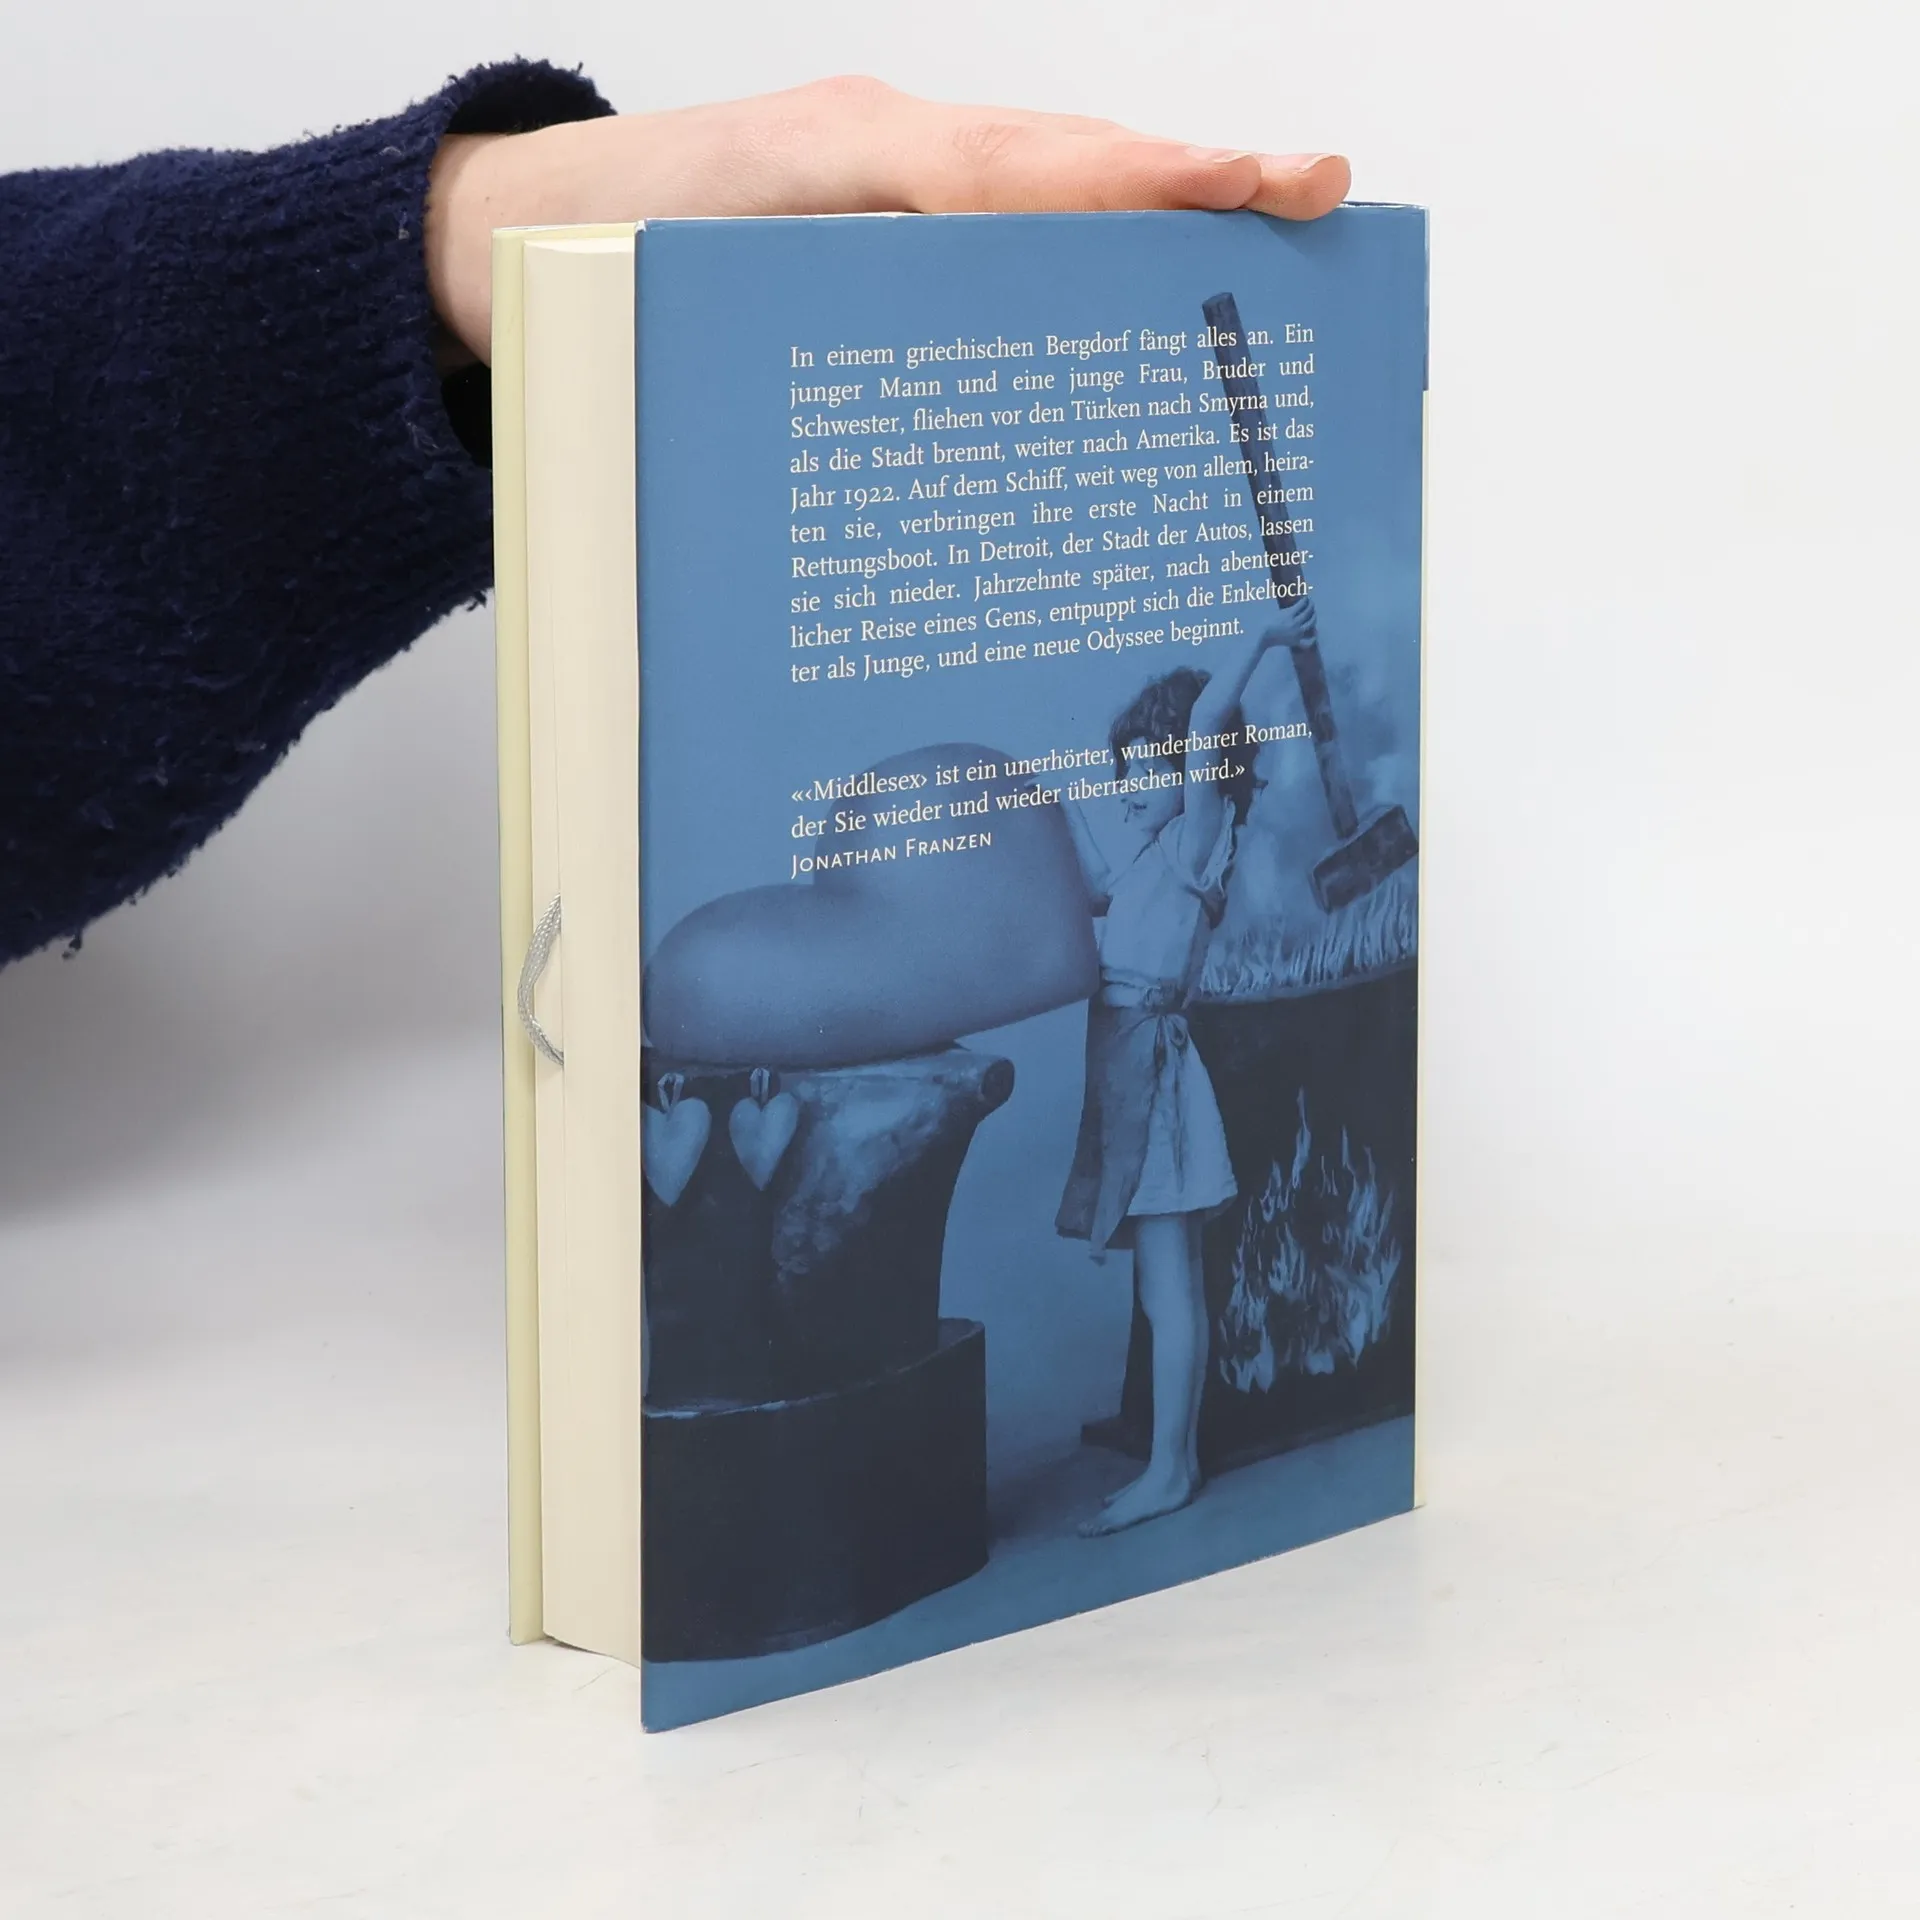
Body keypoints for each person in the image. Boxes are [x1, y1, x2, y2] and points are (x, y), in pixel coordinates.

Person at [0, 63, 1347, 968]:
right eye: (1144, 766)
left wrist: (461, 236)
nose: (1150, 782)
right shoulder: (1132, 849)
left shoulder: (1188, 845)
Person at [1057, 596, 1313, 1532]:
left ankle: (1171, 1469)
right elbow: (1090, 890)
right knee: (1162, 1291)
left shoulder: (1202, 838)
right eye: (1121, 770)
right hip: (1127, 1077)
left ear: (1195, 774)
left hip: (1157, 1084)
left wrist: (1265, 637)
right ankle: (1173, 1459)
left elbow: (1207, 720)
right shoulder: (1149, 856)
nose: (1127, 787)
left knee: (1171, 1291)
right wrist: (1044, 809)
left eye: (1145, 770)